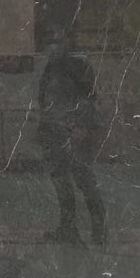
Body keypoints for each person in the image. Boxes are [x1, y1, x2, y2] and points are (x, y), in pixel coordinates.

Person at [38, 35, 106, 244]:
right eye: (50, 41)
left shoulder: (78, 65)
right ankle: (68, 229)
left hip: (76, 132)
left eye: (57, 41)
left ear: (68, 42)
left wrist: (82, 127)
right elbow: (46, 100)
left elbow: (89, 98)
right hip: (55, 131)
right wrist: (45, 128)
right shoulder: (51, 67)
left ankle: (99, 231)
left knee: (84, 181)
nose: (52, 46)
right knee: (61, 183)